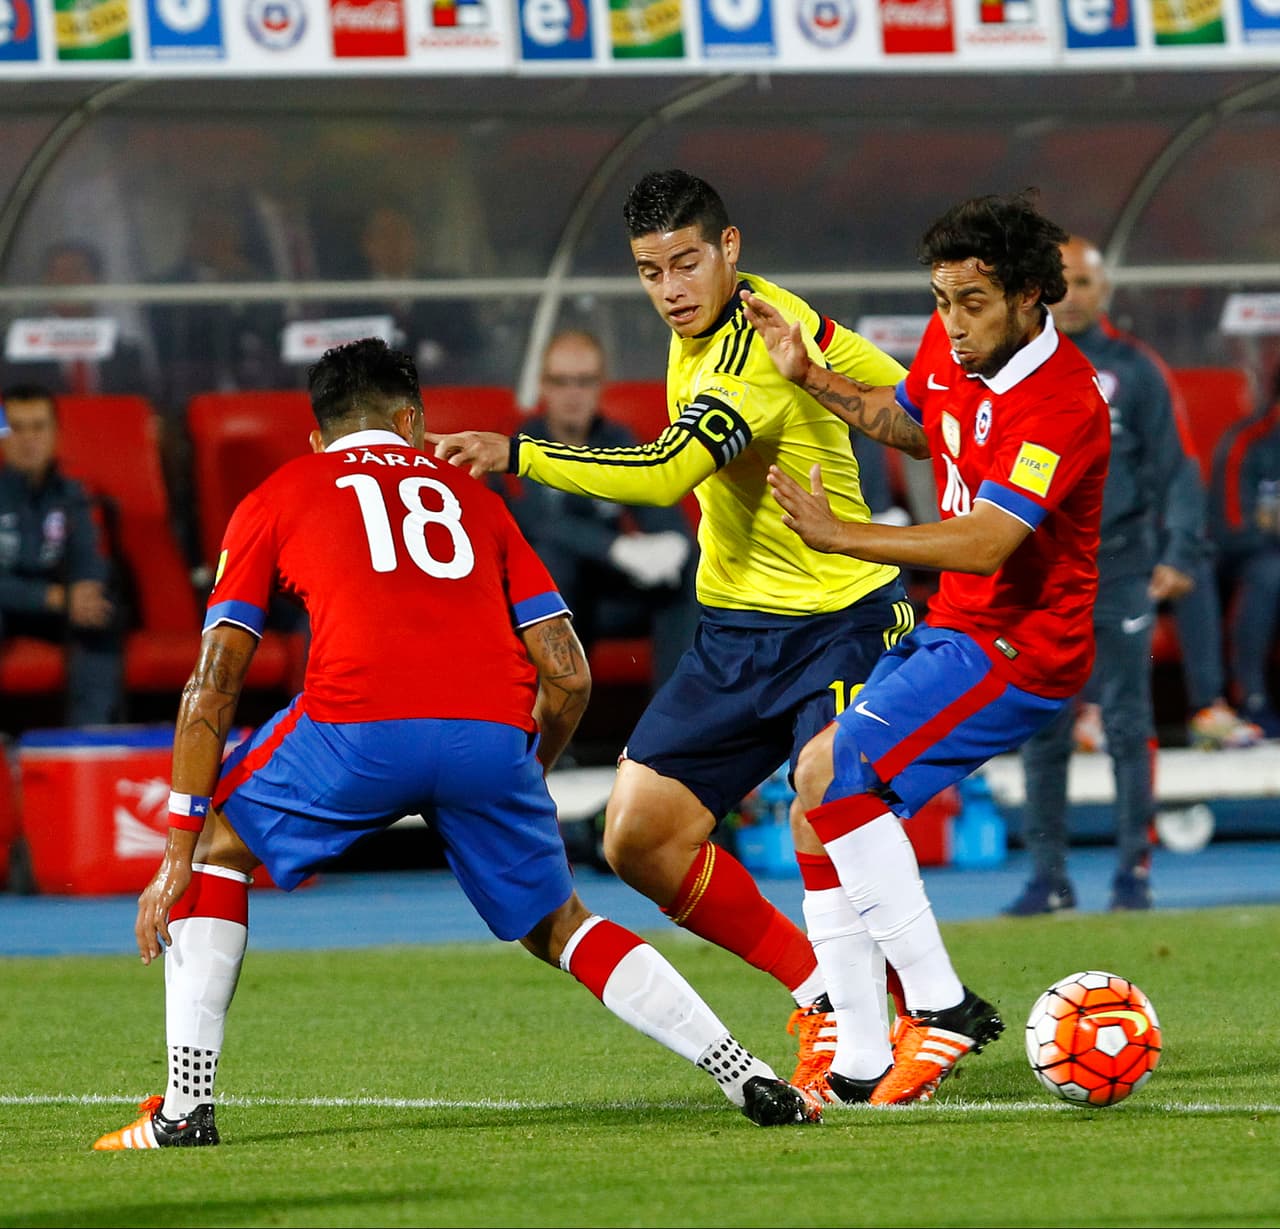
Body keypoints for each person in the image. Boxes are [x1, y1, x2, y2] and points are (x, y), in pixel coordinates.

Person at [91, 338, 819, 1152]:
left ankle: (186, 1109)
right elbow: (569, 674)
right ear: (413, 420)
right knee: (562, 924)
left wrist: (177, 849)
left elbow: (214, 682)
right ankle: (742, 1067)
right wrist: (525, 769)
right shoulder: (476, 497)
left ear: (317, 437)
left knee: (223, 842)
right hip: (490, 737)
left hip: (355, 726)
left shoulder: (279, 490)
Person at [424, 169, 916, 1101]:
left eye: (687, 262)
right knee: (638, 838)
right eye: (651, 271)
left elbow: (663, 473)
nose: (672, 287)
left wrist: (517, 451)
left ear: (731, 250)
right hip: (736, 630)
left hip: (840, 619)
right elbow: (907, 396)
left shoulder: (760, 344)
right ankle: (821, 991)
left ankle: (881, 1030)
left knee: (824, 810)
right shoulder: (698, 331)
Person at [744, 191, 1111, 1105]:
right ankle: (865, 1059)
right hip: (958, 627)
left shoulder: (1064, 403)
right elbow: (906, 418)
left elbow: (990, 541)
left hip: (1021, 648)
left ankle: (941, 1006)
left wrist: (842, 535)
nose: (950, 322)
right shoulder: (955, 356)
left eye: (971, 301)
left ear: (1032, 297)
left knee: (850, 765)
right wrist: (807, 372)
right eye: (941, 298)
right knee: (812, 788)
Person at [1005, 234, 1204, 916]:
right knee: (1042, 722)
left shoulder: (1137, 370)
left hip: (1118, 563)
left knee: (1126, 720)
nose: (1074, 293)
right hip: (1037, 569)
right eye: (1062, 281)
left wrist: (1179, 550)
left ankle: (1132, 872)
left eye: (1085, 282)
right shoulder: (1017, 366)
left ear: (1104, 289)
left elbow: (1178, 466)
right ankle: (1047, 877)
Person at [505, 329, 698, 691]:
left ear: (600, 386)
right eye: (561, 382)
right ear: (544, 386)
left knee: (690, 564)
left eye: (584, 381)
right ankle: (551, 740)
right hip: (552, 601)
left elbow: (665, 518)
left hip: (610, 598)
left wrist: (670, 548)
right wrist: (617, 549)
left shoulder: (617, 441)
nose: (573, 394)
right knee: (553, 558)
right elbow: (538, 524)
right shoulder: (519, 447)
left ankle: (671, 731)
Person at [0, 383, 125, 726]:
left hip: (60, 605)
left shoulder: (73, 495)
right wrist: (53, 597)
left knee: (100, 614)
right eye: (17, 428)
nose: (28, 439)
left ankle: (90, 743)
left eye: (38, 427)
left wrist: (87, 590)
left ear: (55, 434)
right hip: (12, 604)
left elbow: (91, 556)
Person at [333, 203, 484, 385]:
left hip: (443, 397)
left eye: (400, 234)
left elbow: (474, 350)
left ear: (415, 241)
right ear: (367, 244)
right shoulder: (346, 298)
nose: (392, 244)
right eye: (383, 235)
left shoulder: (446, 291)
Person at [1208, 367, 1280, 736]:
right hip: (1245, 562)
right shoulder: (1249, 441)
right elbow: (1232, 531)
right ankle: (1252, 699)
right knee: (1270, 572)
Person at [0, 240, 157, 399]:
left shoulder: (126, 356)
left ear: (97, 281)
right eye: (57, 273)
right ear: (45, 282)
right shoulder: (17, 350)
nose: (66, 282)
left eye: (76, 272)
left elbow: (143, 409)